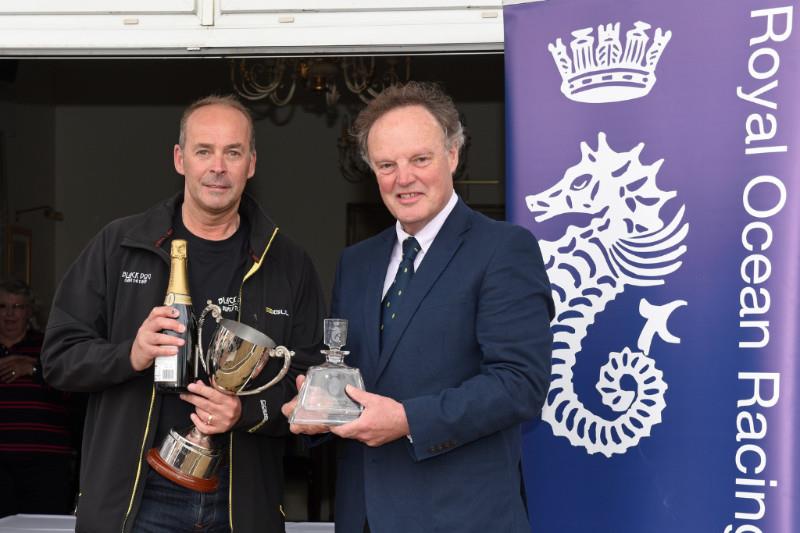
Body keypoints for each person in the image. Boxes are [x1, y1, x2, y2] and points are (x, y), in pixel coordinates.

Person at [42, 95, 325, 533]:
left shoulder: (288, 263)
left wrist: (245, 412)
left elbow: (310, 383)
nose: (218, 166)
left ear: (251, 163)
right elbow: (59, 359)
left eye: (233, 152)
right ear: (180, 159)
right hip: (136, 499)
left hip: (241, 500)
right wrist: (129, 355)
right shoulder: (119, 245)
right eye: (203, 151)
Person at [282, 81, 555, 533]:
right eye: (387, 165)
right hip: (364, 516)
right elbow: (351, 376)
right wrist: (318, 411)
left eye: (419, 159)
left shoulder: (503, 249)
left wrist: (408, 420)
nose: (403, 178)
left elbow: (520, 383)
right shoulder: (357, 262)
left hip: (462, 518)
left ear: (453, 155)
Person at [0, 279, 78, 518]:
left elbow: (73, 391)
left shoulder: (49, 346)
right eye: (3, 307)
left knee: (42, 525)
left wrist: (34, 370)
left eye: (18, 307)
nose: (10, 314)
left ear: (30, 312)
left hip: (45, 460)